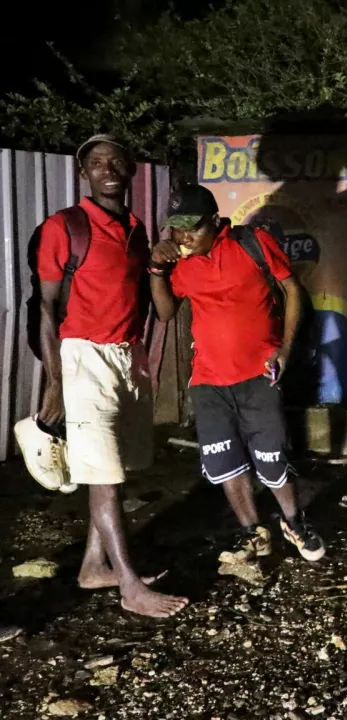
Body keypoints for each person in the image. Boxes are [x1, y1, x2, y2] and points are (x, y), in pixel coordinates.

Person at [35, 135, 188, 617]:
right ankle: (129, 585)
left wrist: (162, 265)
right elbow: (45, 308)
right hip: (83, 360)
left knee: (112, 468)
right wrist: (56, 382)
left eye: (117, 162)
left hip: (128, 356)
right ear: (83, 174)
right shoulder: (65, 227)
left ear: (131, 171)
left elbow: (159, 308)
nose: (108, 169)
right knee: (104, 477)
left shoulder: (137, 229)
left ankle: (92, 568)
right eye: (97, 163)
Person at [148, 183, 326, 564]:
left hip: (258, 375)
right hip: (209, 381)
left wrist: (285, 349)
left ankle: (294, 521)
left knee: (272, 458)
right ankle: (252, 532)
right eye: (176, 228)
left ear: (215, 221)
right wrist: (155, 269)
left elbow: (292, 289)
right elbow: (164, 313)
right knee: (225, 460)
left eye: (192, 227)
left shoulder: (252, 243)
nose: (183, 237)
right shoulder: (180, 262)